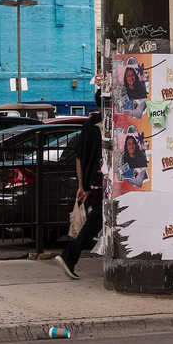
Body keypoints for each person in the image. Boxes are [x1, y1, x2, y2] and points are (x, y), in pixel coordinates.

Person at [56, 89, 102, 280]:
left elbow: (78, 158)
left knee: (99, 221)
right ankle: (69, 256)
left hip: (93, 182)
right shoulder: (112, 124)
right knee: (96, 221)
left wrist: (81, 186)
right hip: (103, 182)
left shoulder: (89, 124)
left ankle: (70, 256)